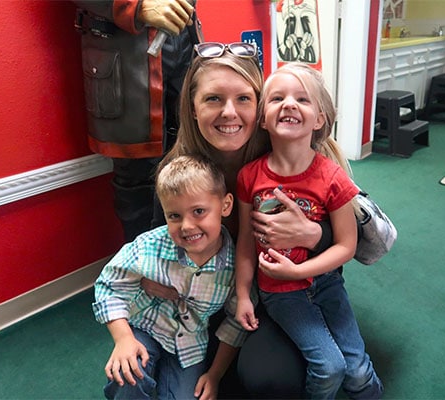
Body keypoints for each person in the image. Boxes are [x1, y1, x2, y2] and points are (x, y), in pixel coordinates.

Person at [141, 43, 341, 398]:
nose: (229, 113)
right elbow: (158, 247)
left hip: (277, 295)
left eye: (244, 99)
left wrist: (314, 235)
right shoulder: (177, 174)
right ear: (193, 107)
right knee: (144, 374)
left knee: (270, 379)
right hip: (204, 300)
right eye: (213, 99)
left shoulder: (290, 153)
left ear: (261, 107)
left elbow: (346, 245)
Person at [234, 63, 383, 399]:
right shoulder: (249, 177)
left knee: (358, 371)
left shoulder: (333, 177)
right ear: (262, 118)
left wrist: (300, 269)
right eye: (277, 98)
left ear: (319, 119)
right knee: (330, 368)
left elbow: (346, 245)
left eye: (302, 99)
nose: (289, 104)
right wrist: (243, 294)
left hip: (327, 284)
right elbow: (246, 242)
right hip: (280, 293)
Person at [93, 154, 247, 400]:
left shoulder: (237, 266)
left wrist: (215, 374)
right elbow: (108, 285)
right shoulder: (148, 246)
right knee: (127, 377)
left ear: (225, 206)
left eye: (198, 211)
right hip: (144, 328)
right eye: (174, 216)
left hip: (190, 347)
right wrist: (123, 339)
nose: (186, 226)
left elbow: (235, 322)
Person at [72, 0, 201, 242]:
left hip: (182, 38)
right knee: (138, 177)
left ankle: (190, 264)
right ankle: (146, 271)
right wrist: (134, 6)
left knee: (193, 161)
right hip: (126, 53)